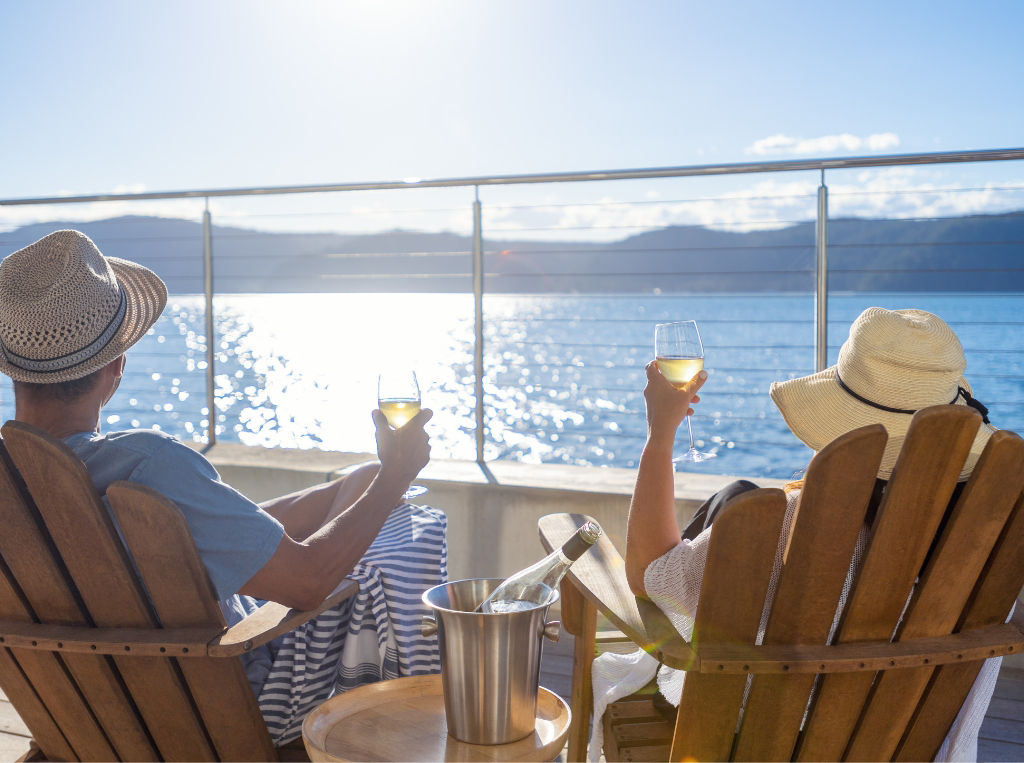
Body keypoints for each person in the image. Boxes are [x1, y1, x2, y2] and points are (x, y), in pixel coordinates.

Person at [0, 229, 447, 744]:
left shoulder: (19, 481)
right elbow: (306, 585)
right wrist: (396, 475)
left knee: (363, 484)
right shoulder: (148, 465)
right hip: (227, 706)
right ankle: (426, 721)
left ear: (15, 372)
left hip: (83, 716)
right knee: (411, 525)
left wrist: (361, 486)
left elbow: (180, 540)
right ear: (116, 368)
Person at [590, 307, 1002, 763]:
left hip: (755, 737)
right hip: (898, 740)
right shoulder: (986, 531)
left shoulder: (799, 527)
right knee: (738, 496)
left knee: (738, 511)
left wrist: (660, 434)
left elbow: (649, 574)